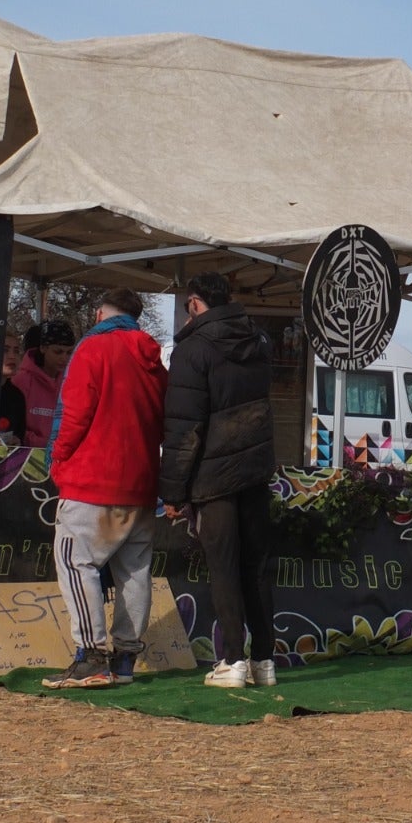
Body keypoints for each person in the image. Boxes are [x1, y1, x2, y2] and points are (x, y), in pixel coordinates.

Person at [41, 289, 168, 689]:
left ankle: (91, 656)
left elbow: (74, 413)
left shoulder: (92, 349)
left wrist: (57, 460)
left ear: (99, 313)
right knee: (134, 571)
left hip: (92, 480)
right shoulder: (154, 362)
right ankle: (126, 657)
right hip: (142, 482)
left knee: (77, 563)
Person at [160, 273, 278, 689]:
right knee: (256, 568)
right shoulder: (260, 342)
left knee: (224, 567)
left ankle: (232, 660)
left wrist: (173, 491)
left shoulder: (191, 350)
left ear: (194, 303)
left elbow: (182, 428)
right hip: (257, 469)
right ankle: (264, 660)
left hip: (215, 476)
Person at [11, 319, 75, 448]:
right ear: (43, 348)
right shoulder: (22, 381)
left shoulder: (71, 382)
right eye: (58, 352)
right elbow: (15, 429)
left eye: (69, 353)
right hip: (29, 457)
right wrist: (45, 443)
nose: (64, 358)